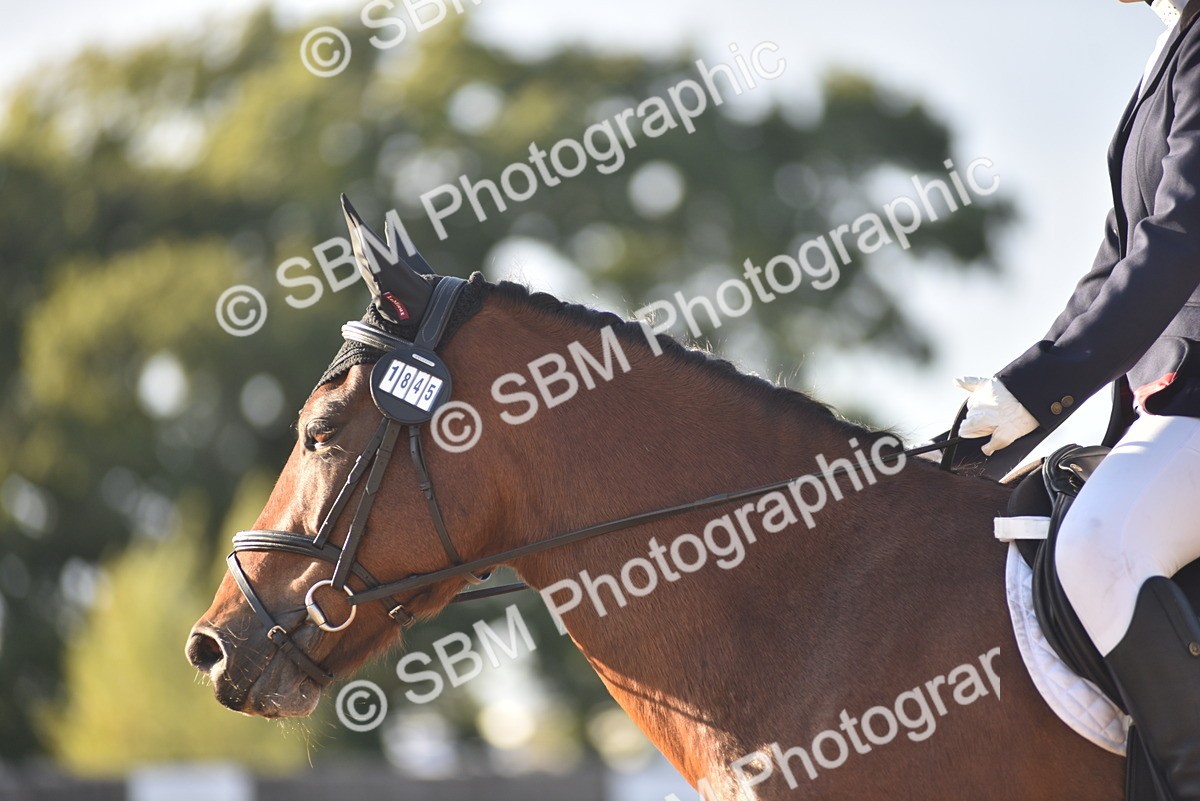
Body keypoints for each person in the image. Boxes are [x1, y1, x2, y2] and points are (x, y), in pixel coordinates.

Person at [959, 0, 1200, 796]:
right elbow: (1115, 260)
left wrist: (1040, 392)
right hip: (1171, 397)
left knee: (1100, 544)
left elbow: (1178, 242)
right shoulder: (1174, 42)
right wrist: (1008, 408)